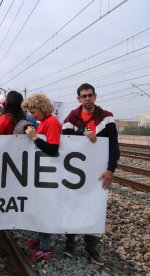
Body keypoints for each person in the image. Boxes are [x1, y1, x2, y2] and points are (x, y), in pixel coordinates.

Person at [61, 83, 120, 266]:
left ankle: (91, 247)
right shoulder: (72, 117)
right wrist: (83, 132)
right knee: (72, 204)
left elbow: (114, 146)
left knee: (95, 207)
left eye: (90, 95)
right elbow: (65, 140)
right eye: (83, 96)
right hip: (76, 173)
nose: (87, 99)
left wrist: (111, 169)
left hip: (97, 173)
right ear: (78, 99)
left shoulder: (106, 118)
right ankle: (70, 243)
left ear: (95, 96)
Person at [21, 93, 61, 262]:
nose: (32, 114)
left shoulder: (51, 122)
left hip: (49, 174)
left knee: (44, 209)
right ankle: (41, 240)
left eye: (34, 111)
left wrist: (35, 137)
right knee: (40, 207)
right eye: (30, 111)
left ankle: (45, 248)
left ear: (43, 108)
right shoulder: (44, 121)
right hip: (43, 172)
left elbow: (53, 149)